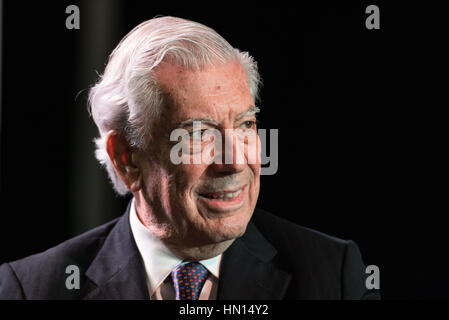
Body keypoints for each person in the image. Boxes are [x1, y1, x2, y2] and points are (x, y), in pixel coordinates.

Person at [0, 16, 380, 300]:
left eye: (246, 125)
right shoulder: (31, 289)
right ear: (126, 157)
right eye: (198, 134)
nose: (235, 162)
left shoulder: (334, 275)